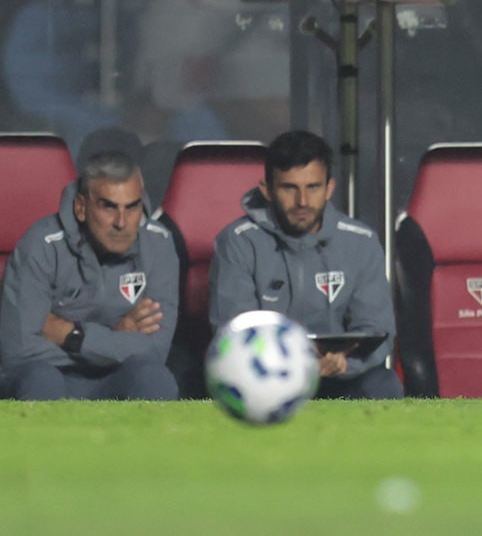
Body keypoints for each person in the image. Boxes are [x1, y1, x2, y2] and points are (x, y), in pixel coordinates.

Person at [209, 130, 402, 399]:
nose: (302, 201)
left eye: (313, 187)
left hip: (340, 375)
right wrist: (294, 363)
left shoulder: (362, 241)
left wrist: (344, 362)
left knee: (383, 384)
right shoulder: (237, 242)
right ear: (267, 189)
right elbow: (234, 333)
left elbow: (377, 329)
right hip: (266, 379)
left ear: (329, 188)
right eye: (289, 188)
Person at [0, 151, 179, 401]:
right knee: (41, 380)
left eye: (132, 207)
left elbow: (155, 350)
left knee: (155, 379)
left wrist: (73, 337)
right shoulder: (41, 244)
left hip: (115, 377)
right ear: (81, 208)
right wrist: (117, 339)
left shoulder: (158, 243)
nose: (121, 222)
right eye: (108, 206)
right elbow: (18, 351)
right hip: (49, 374)